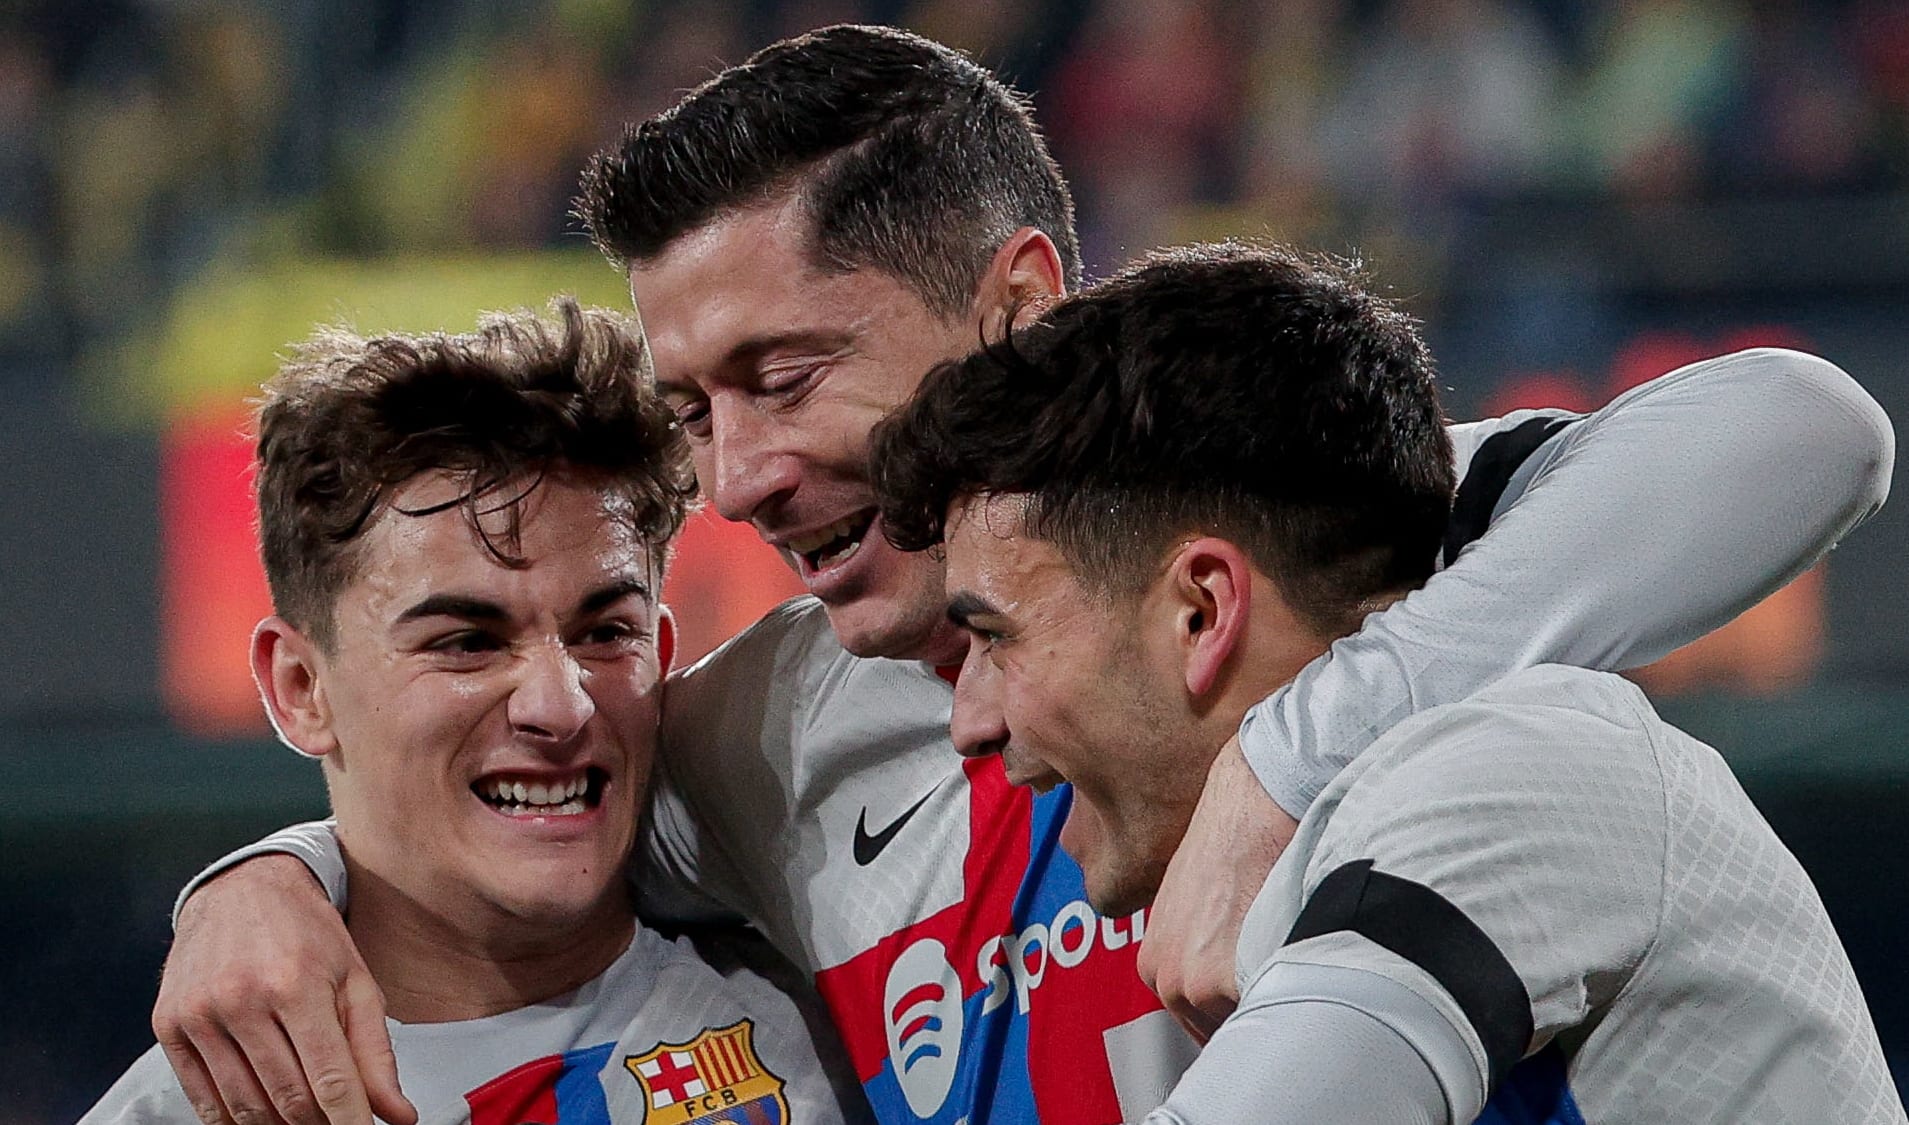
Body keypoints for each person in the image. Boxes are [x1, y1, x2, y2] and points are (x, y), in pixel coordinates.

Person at [151, 24, 1896, 1125]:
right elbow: (495, 791)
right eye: (695, 409)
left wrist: (1290, 760)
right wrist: (271, 881)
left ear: (1014, 303)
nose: (737, 476)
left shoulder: (1297, 545)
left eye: (783, 375)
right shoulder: (758, 732)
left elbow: (1799, 431)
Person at [867, 241, 1904, 1123]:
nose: (969, 721)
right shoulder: (1370, 620)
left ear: (1202, 613)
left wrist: (1279, 759)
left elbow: (1809, 423)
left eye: (994, 638)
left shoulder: (1513, 767)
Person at [86, 301, 869, 1124]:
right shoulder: (184, 1110)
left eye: (605, 632)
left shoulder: (843, 989)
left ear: (662, 652)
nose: (559, 704)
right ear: (300, 688)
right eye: (467, 642)